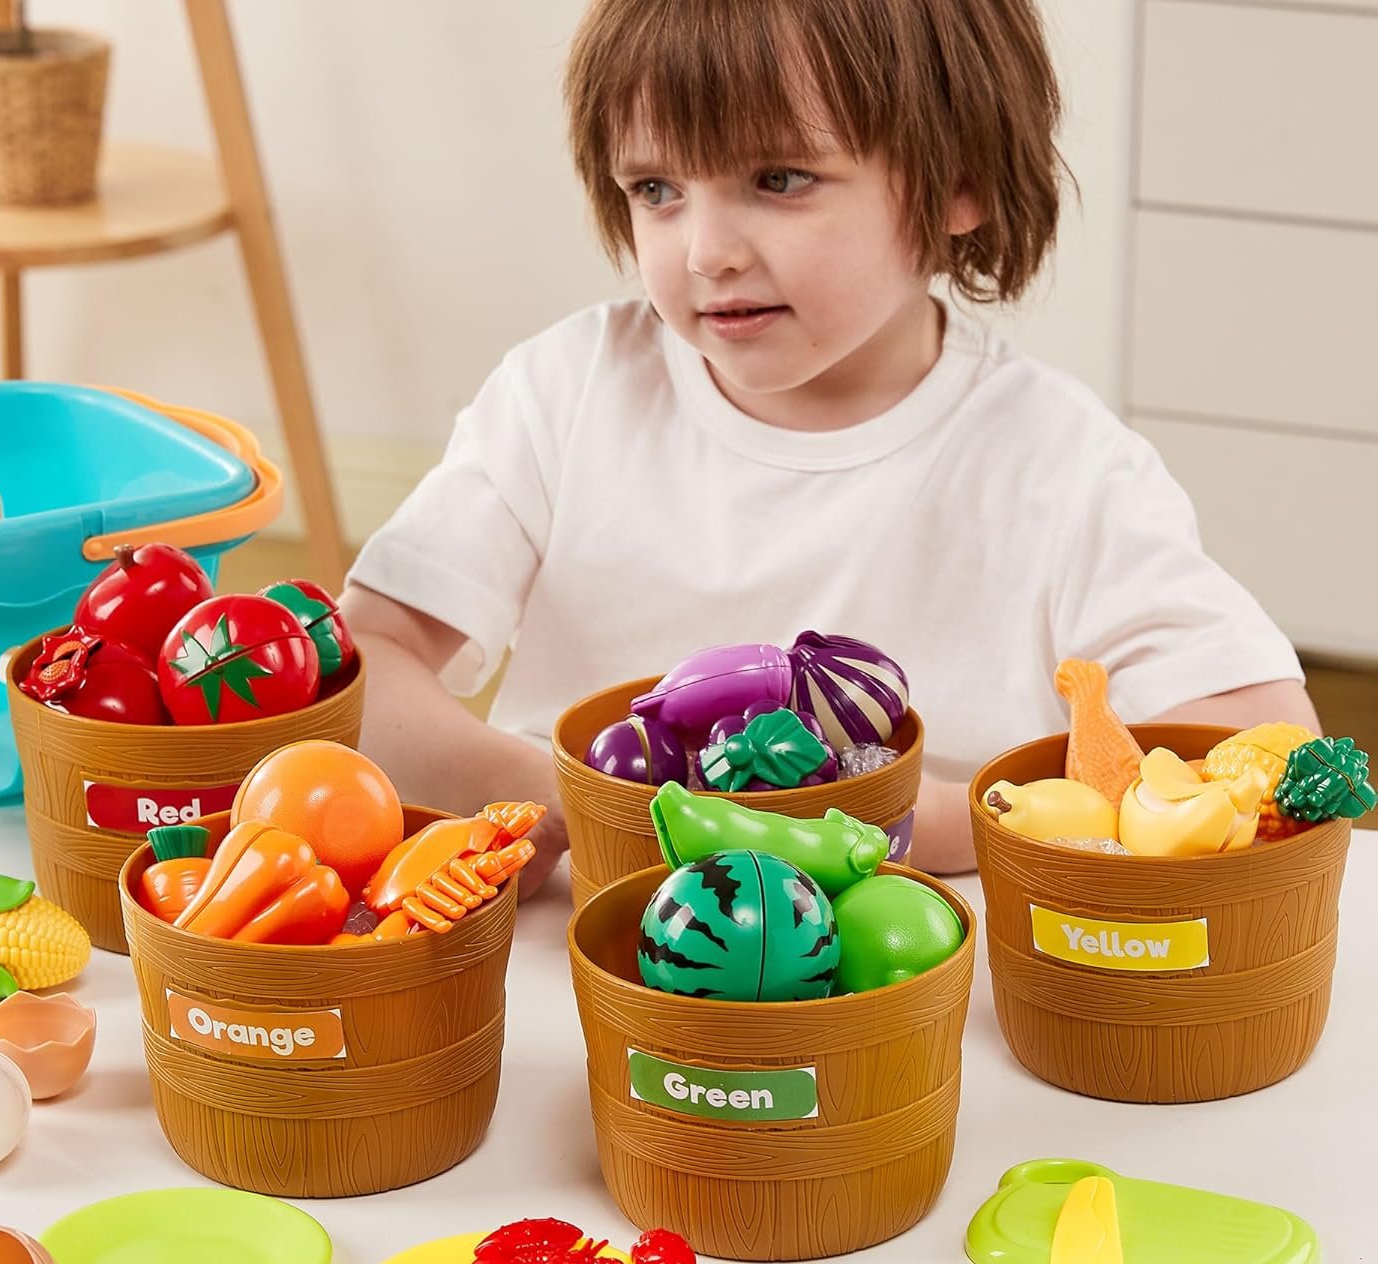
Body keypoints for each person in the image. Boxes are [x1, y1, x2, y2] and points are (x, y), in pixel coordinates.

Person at [338, 0, 1316, 884]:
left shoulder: (1059, 466)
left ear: (960, 180)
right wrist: (561, 798)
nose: (705, 251)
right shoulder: (565, 394)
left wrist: (916, 824)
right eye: (657, 188)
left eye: (780, 179)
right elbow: (362, 665)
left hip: (920, 969)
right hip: (579, 951)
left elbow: (1268, 744)